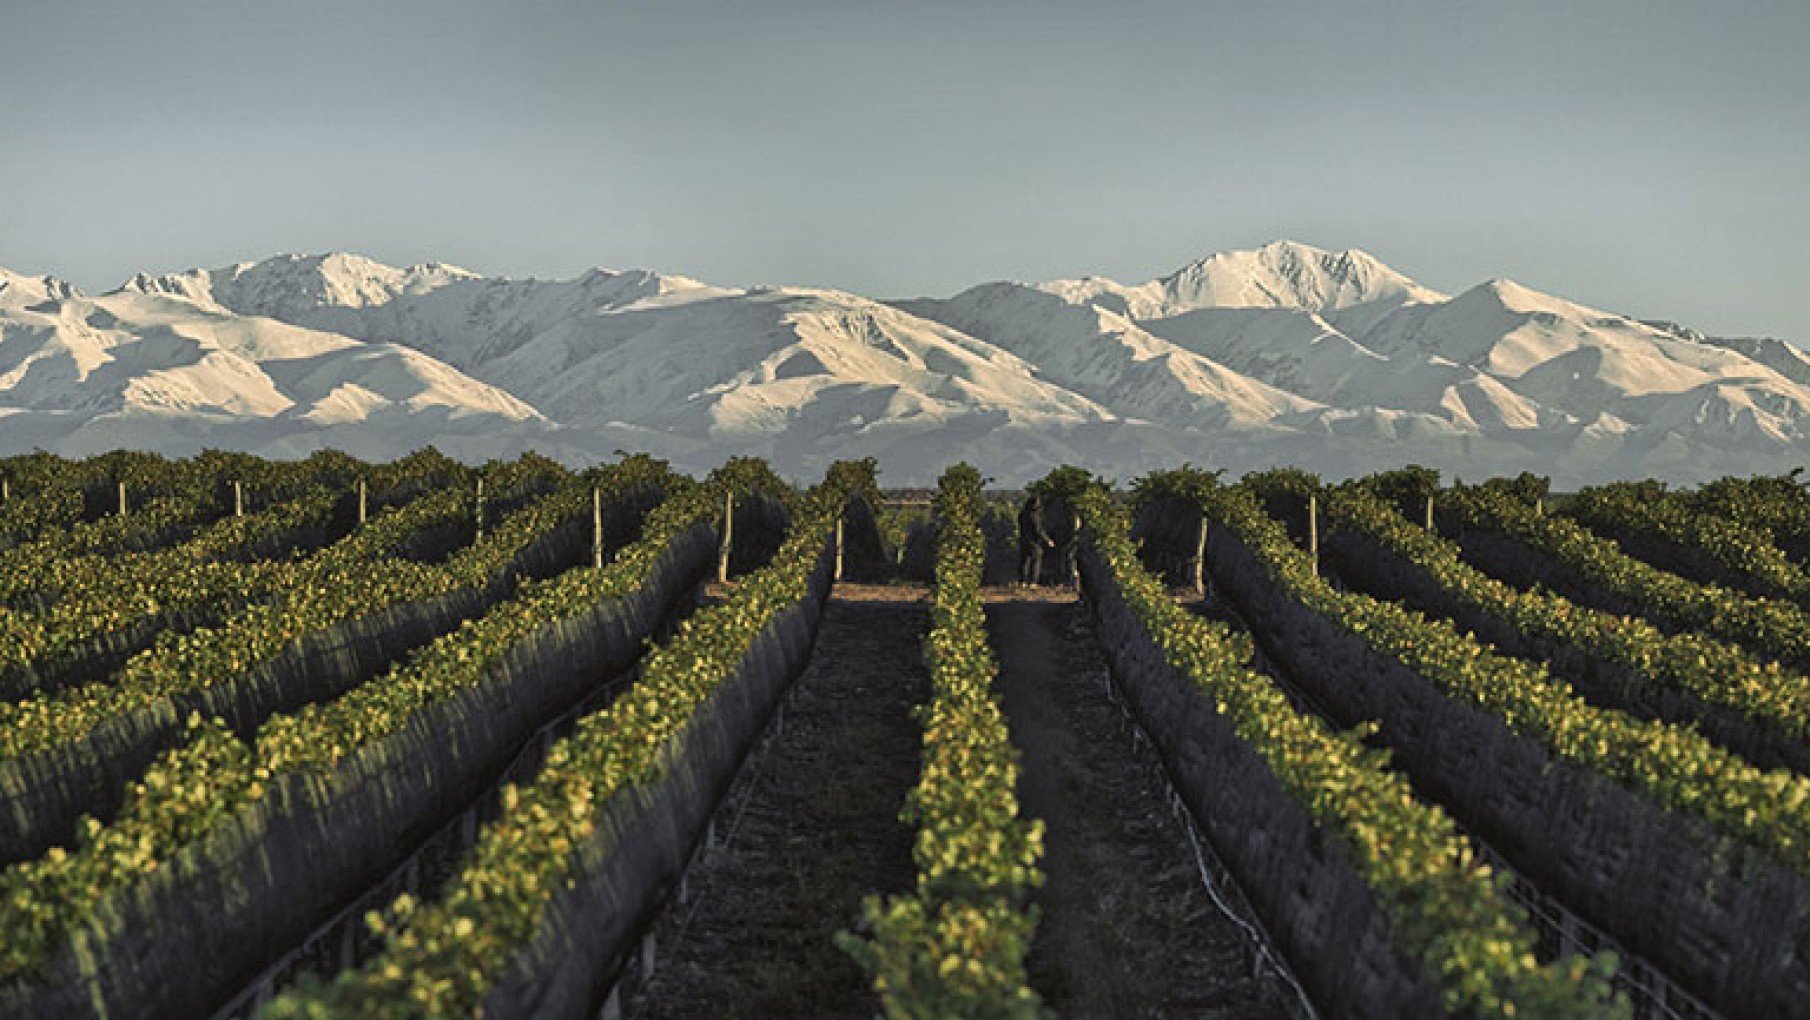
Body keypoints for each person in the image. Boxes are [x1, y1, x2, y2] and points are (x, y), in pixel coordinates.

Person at [1018, 493, 1053, 586]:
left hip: (1023, 540)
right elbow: (1038, 530)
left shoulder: (1022, 514)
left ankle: (1022, 581)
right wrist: (1047, 540)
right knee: (1036, 561)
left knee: (1024, 561)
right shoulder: (1034, 516)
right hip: (1033, 542)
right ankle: (1033, 582)